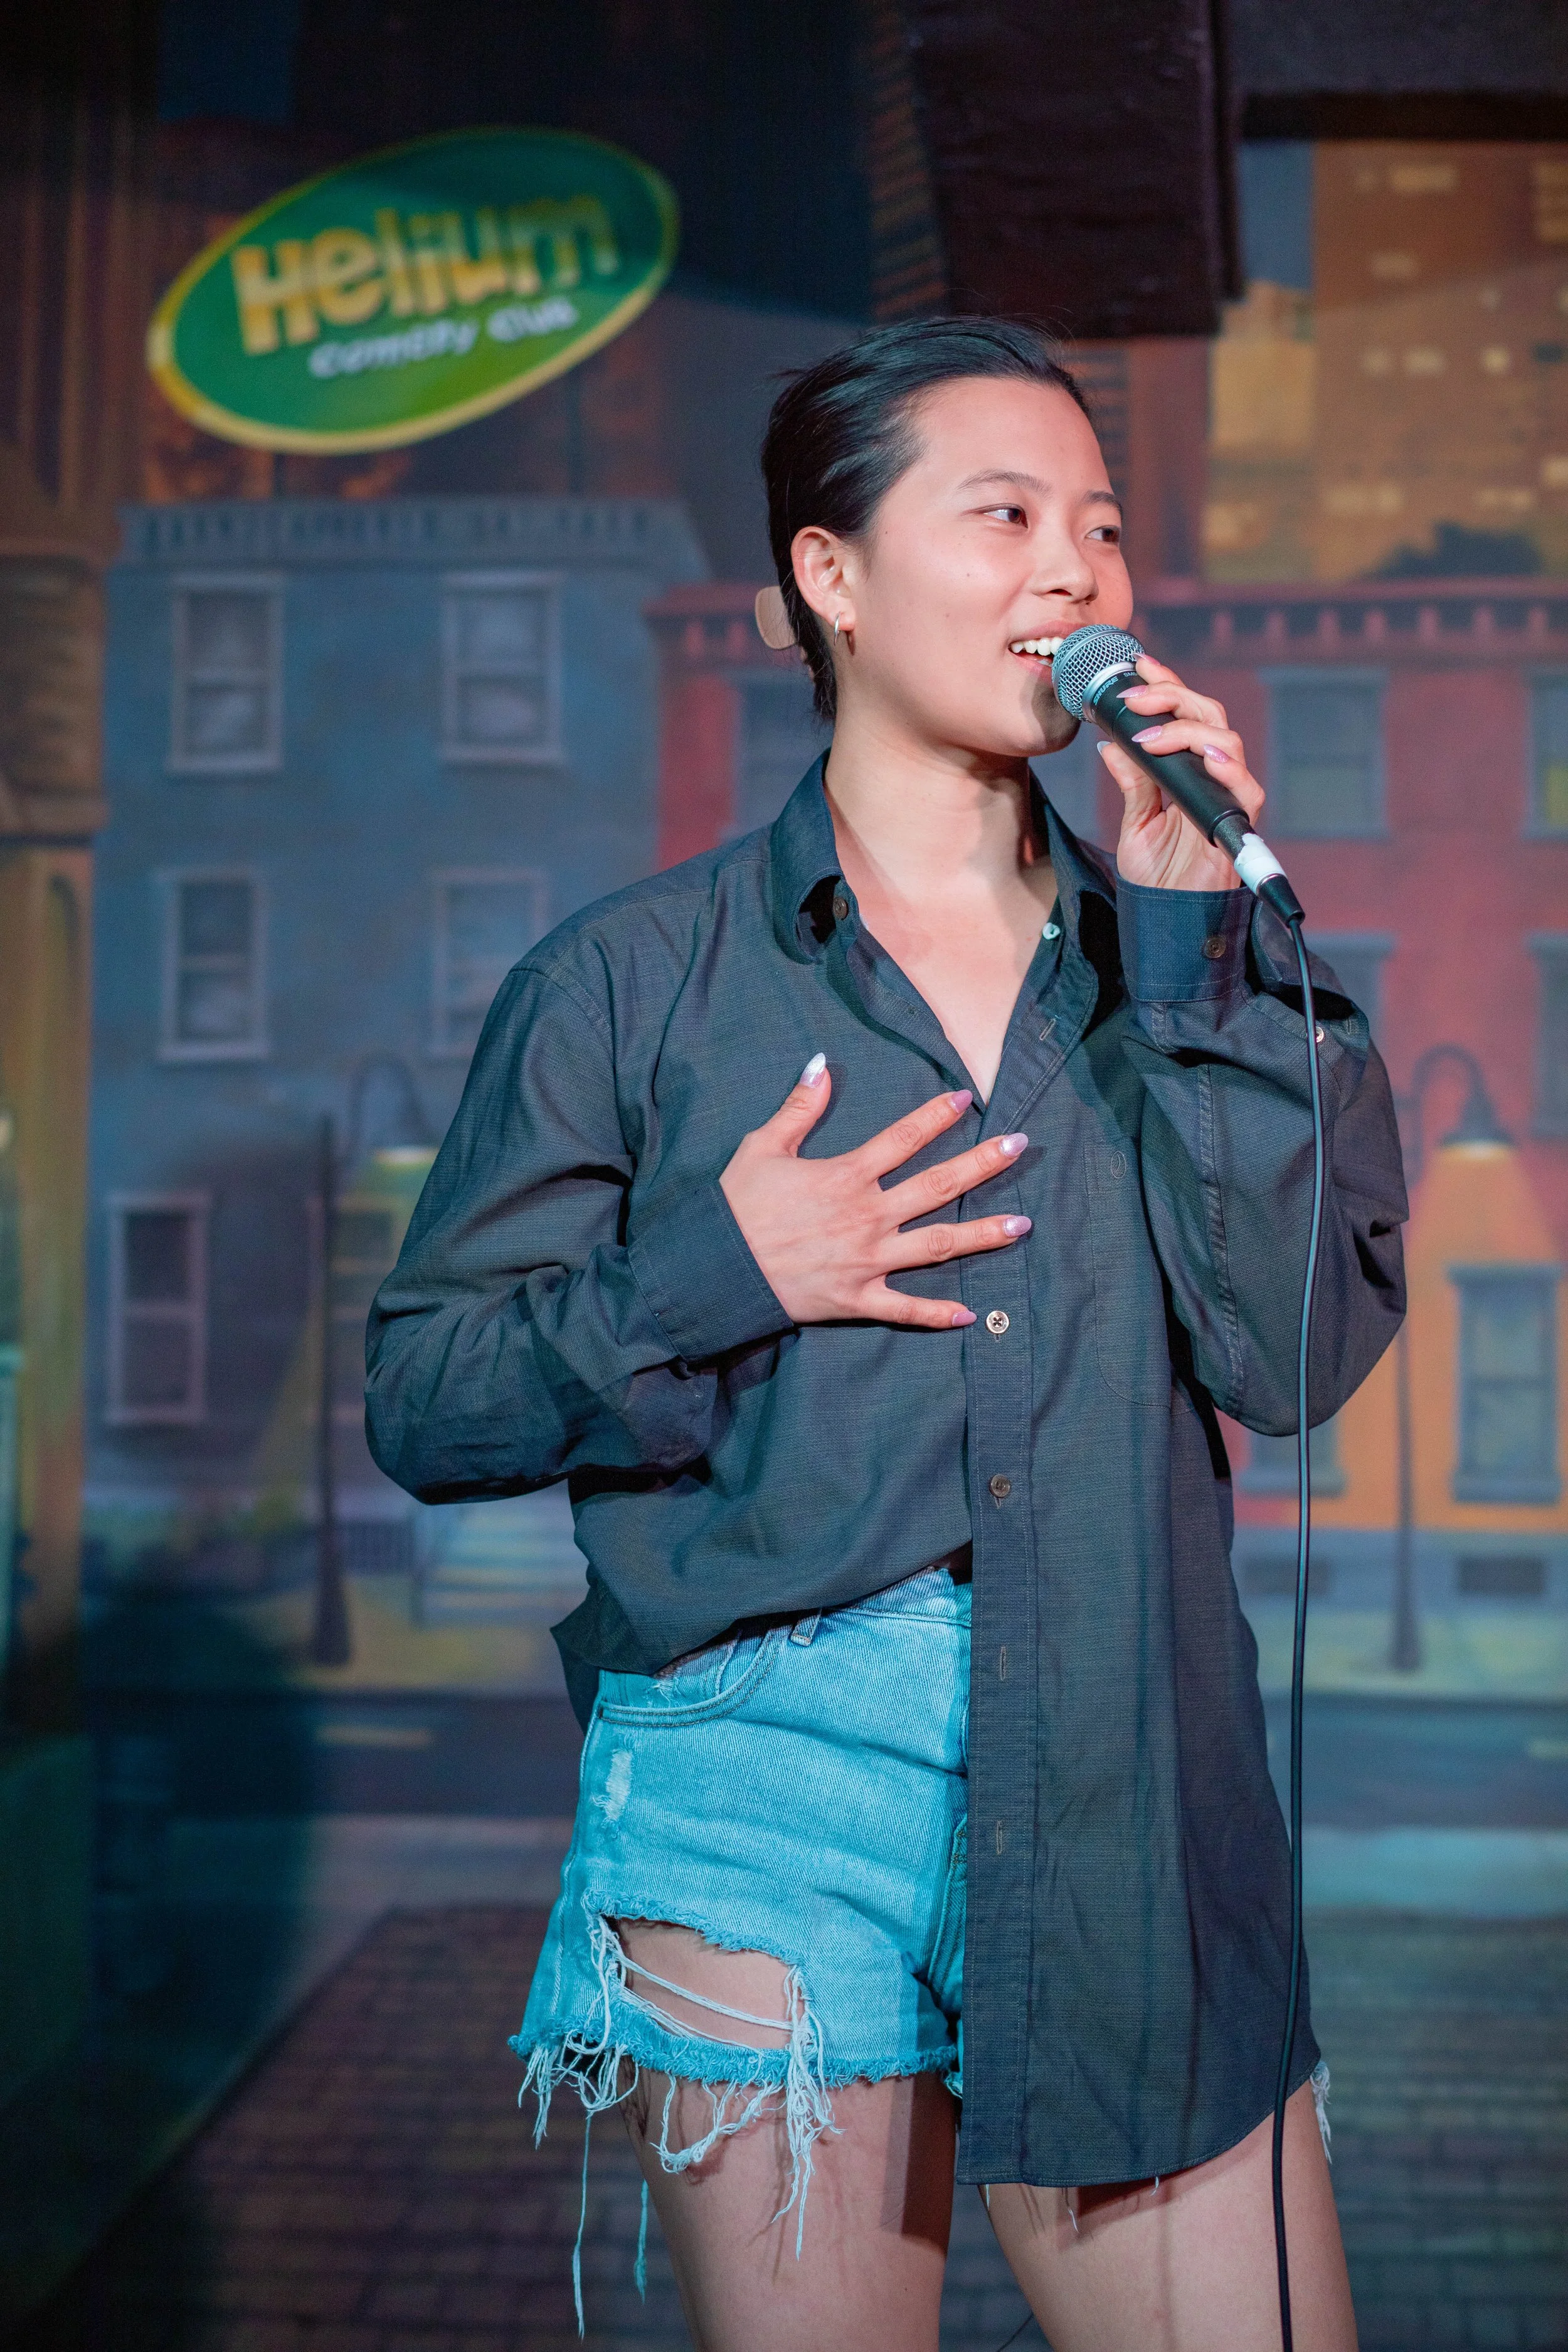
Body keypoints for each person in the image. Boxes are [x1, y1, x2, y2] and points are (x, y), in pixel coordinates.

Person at [366, 318, 1406, 2352]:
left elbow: (1290, 1358)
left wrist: (1200, 959)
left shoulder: (1189, 958)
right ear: (830, 578)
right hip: (765, 1773)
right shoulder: (628, 984)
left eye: (1097, 528)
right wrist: (713, 1268)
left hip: (1120, 1757)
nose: (1073, 574)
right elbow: (428, 1394)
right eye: (1003, 512)